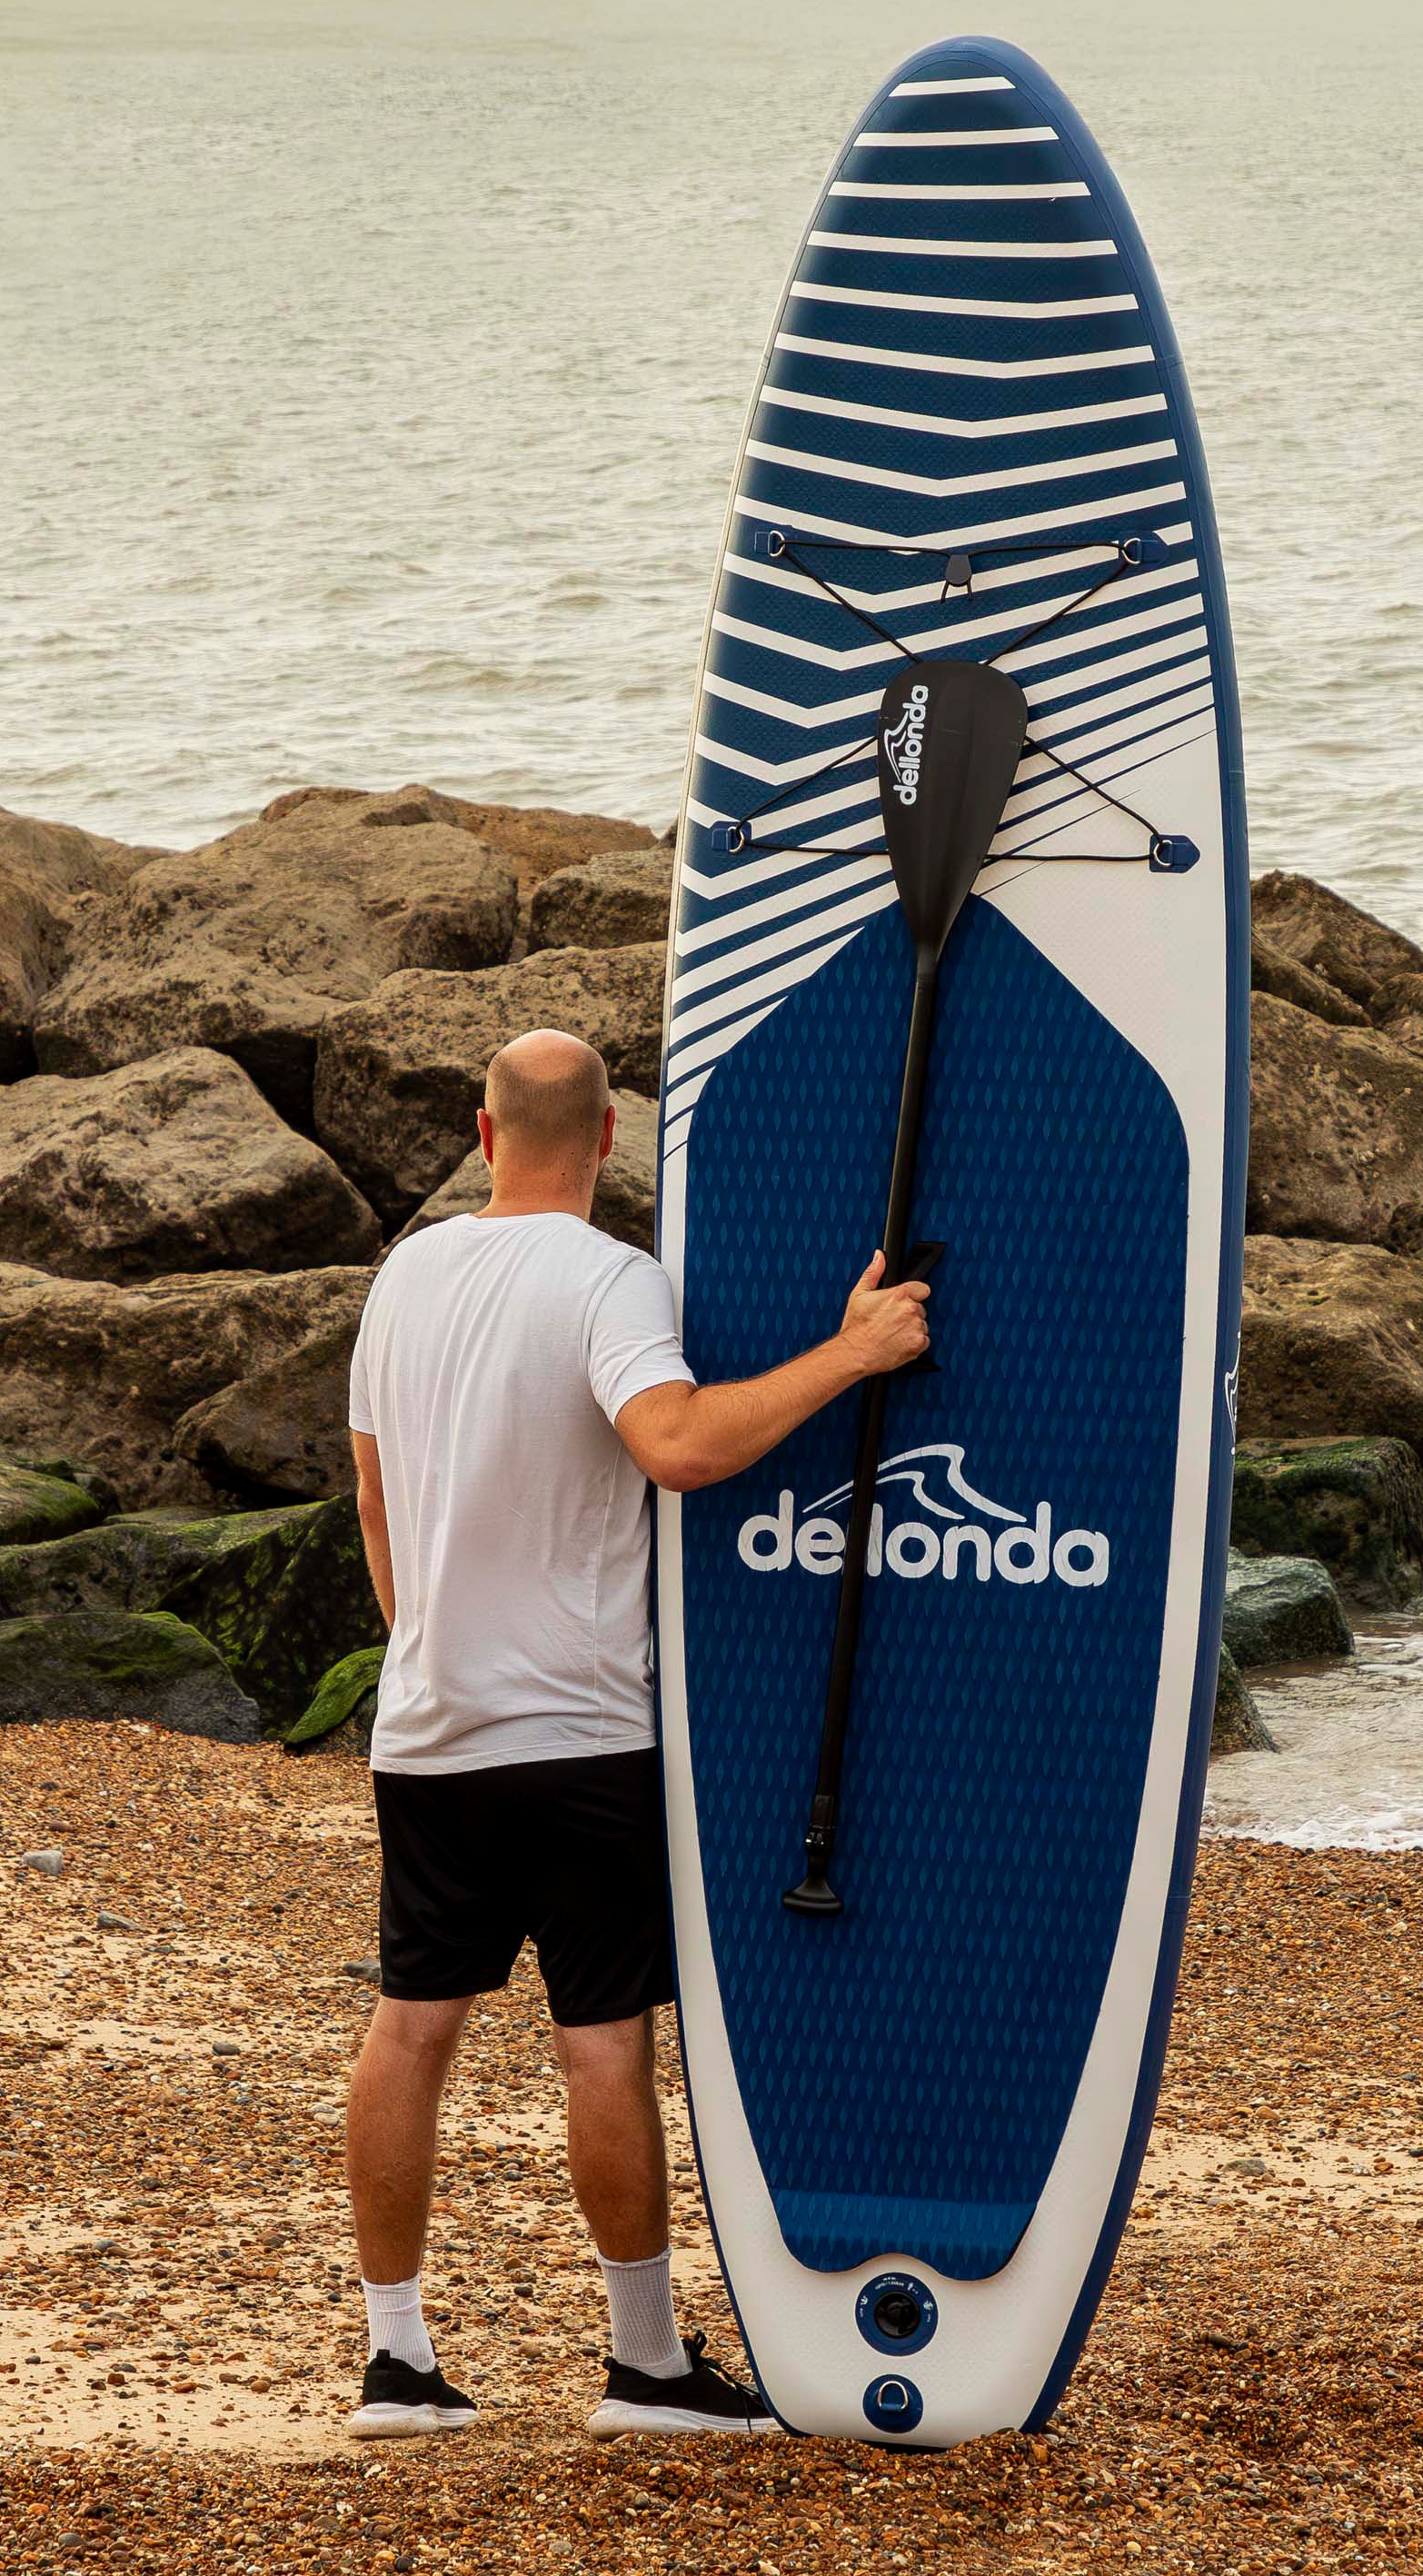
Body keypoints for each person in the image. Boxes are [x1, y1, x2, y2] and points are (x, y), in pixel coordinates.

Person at [341, 1027, 931, 2440]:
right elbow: (678, 1444)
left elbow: (370, 1493)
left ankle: (394, 2361)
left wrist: (428, 1648)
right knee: (598, 2045)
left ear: (483, 1137)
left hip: (426, 1724)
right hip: (579, 1733)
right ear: (608, 1141)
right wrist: (850, 1355)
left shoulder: (406, 1272)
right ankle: (644, 2364)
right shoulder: (612, 1278)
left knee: (411, 2025)